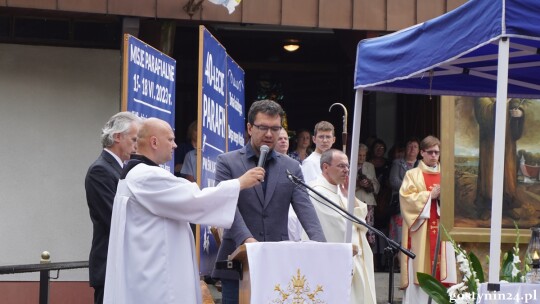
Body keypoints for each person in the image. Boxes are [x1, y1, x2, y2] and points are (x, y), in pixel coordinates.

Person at [103, 118, 264, 304]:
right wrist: (239, 183)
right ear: (154, 142)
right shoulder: (146, 176)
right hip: (157, 279)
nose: (175, 145)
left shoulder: (137, 174)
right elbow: (194, 199)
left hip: (149, 270)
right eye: (170, 139)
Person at [211, 99, 326, 304]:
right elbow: (227, 206)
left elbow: (305, 208)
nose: (269, 134)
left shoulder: (291, 166)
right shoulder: (227, 162)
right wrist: (248, 241)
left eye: (275, 128)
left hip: (277, 261)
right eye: (263, 127)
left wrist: (322, 247)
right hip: (238, 261)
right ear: (249, 128)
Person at [84, 111, 141, 304]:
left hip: (123, 266)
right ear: (117, 137)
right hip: (110, 265)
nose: (136, 146)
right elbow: (115, 218)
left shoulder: (122, 169)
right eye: (134, 139)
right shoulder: (100, 170)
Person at [309, 149, 376, 304]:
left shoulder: (340, 190)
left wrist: (348, 197)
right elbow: (342, 229)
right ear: (325, 167)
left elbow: (360, 223)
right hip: (333, 262)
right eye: (341, 166)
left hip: (352, 256)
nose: (346, 170)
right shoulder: (317, 191)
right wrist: (357, 223)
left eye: (347, 166)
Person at [399, 135, 456, 303]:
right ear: (422, 153)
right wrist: (429, 196)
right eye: (430, 152)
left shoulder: (447, 174)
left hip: (443, 229)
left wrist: (442, 198)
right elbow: (406, 200)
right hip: (420, 232)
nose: (434, 156)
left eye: (437, 152)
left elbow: (456, 201)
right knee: (419, 267)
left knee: (444, 266)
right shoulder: (412, 175)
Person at [474, 98, 524, 220]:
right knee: (489, 174)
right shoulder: (483, 96)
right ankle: (487, 207)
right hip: (490, 144)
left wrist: (520, 114)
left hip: (508, 143)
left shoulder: (510, 94)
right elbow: (483, 114)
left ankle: (507, 207)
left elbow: (517, 105)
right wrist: (501, 103)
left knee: (508, 174)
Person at [388, 138, 419, 246]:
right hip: (400, 205)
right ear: (405, 149)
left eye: (415, 146)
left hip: (416, 205)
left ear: (419, 150)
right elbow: (394, 181)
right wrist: (412, 188)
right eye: (410, 146)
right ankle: (396, 259)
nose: (412, 149)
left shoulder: (421, 165)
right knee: (399, 235)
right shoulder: (398, 163)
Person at [355, 143, 379, 246]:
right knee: (357, 227)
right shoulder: (349, 165)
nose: (362, 158)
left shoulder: (370, 166)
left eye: (364, 155)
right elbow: (344, 186)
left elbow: (377, 185)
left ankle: (369, 249)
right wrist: (358, 184)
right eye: (359, 155)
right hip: (355, 201)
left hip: (368, 201)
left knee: (369, 228)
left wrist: (369, 183)